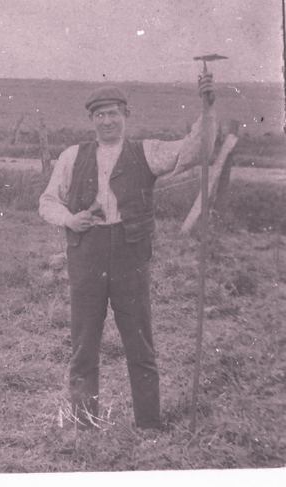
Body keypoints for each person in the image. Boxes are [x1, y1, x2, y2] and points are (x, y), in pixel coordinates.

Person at [38, 73, 216, 430]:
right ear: (92, 120)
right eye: (100, 114)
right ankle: (85, 425)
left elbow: (194, 151)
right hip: (86, 253)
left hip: (130, 254)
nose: (107, 120)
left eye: (113, 113)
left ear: (126, 115)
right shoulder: (72, 156)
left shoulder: (147, 152)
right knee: (84, 343)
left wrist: (208, 110)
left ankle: (149, 424)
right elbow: (46, 202)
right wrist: (70, 220)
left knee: (139, 341)